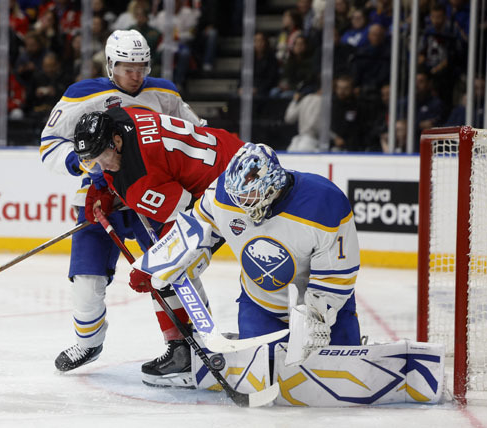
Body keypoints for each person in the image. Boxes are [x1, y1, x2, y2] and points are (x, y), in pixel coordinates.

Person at [39, 29, 208, 387]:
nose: (136, 74)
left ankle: (184, 345)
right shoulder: (84, 94)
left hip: (151, 193)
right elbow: (50, 144)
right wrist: (89, 166)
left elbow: (195, 133)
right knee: (86, 277)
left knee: (170, 268)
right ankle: (88, 343)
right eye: (128, 67)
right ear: (111, 64)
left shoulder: (164, 92)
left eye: (142, 66)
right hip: (100, 197)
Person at [134, 142, 361, 366]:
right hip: (261, 306)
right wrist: (155, 263)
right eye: (237, 197)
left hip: (325, 308)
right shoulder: (223, 193)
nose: (241, 204)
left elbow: (336, 276)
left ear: (272, 184)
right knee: (261, 373)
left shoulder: (324, 202)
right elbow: (193, 230)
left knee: (341, 371)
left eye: (249, 195)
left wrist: (318, 316)